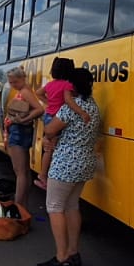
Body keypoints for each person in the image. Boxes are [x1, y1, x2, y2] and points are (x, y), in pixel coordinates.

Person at [36, 66, 101, 266]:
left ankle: (61, 256)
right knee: (72, 206)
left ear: (72, 86)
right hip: (85, 162)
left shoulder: (69, 108)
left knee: (54, 207)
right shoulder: (93, 106)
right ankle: (73, 252)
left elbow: (50, 129)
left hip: (66, 163)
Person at [36, 56, 90, 190]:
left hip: (48, 116)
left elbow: (39, 93)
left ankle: (43, 175)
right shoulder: (67, 85)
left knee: (48, 148)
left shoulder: (50, 84)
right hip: (56, 118)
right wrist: (82, 112)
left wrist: (49, 103)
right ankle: (43, 176)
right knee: (51, 148)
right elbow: (68, 100)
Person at [2, 67, 43, 215]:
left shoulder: (25, 92)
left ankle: (18, 207)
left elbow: (39, 109)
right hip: (21, 130)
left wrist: (22, 119)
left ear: (22, 78)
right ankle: (23, 206)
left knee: (20, 172)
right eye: (10, 82)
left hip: (18, 131)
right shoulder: (25, 90)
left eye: (15, 82)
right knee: (24, 171)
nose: (13, 85)